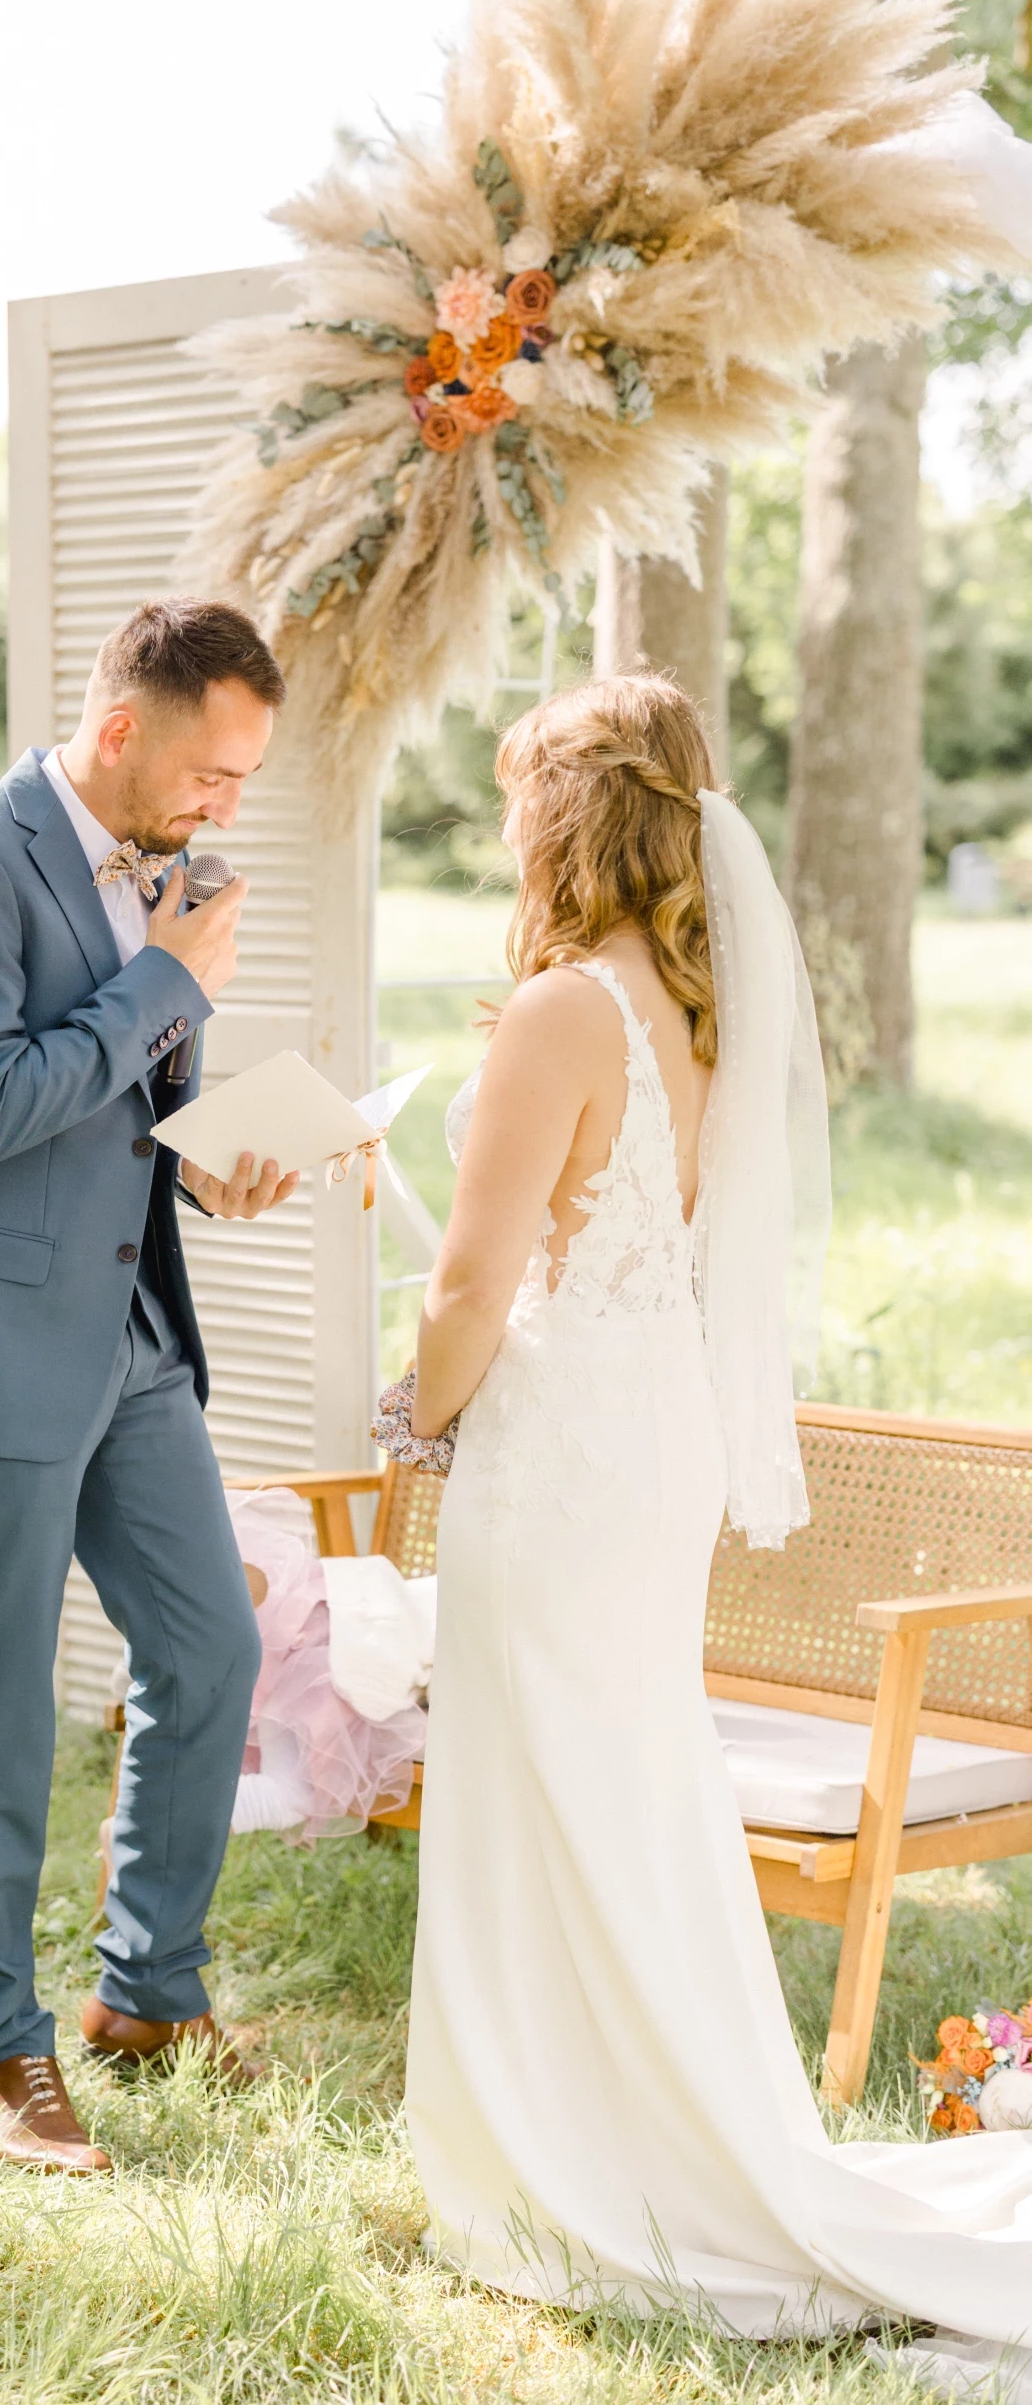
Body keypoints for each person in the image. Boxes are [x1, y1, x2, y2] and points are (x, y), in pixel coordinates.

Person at [401, 675, 1032, 2395]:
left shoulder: (555, 1013)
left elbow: (471, 1282)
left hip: (560, 1449)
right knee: (621, 1781)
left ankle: (570, 2155)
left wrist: (416, 1414)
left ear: (567, 815)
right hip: (646, 1430)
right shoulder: (684, 1013)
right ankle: (627, 2123)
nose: (509, 827)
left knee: (559, 1786)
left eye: (524, 794)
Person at [0, 596, 298, 2175]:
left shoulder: (173, 876)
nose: (223, 807)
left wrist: (207, 1171)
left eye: (245, 780)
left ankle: (147, 1992)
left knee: (210, 1650)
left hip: (127, 1339)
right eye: (211, 772)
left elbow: (109, 1112)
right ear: (121, 729)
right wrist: (162, 983)